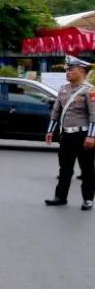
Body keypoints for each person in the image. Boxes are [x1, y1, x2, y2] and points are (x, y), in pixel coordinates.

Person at [44, 58, 95, 210]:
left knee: (87, 169)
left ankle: (88, 199)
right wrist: (50, 130)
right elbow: (56, 111)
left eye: (71, 70)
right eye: (67, 70)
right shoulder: (64, 89)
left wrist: (91, 136)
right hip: (66, 135)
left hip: (83, 134)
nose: (67, 73)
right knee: (64, 168)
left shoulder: (90, 91)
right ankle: (60, 197)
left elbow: (94, 115)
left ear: (82, 72)